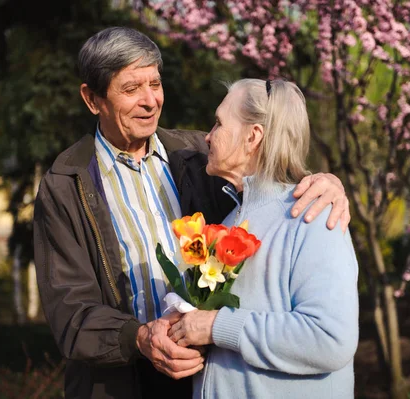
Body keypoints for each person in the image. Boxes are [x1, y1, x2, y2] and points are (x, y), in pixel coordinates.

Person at [33, 27, 351, 399]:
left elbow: (267, 173)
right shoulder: (65, 185)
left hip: (203, 378)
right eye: (132, 89)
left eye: (155, 83)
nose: (150, 101)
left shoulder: (200, 155)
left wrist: (322, 181)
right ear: (92, 99)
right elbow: (70, 313)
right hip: (120, 384)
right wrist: (138, 337)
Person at [168, 79, 359, 399]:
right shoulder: (229, 221)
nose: (207, 137)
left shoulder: (314, 216)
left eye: (218, 123)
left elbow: (329, 339)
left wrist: (215, 326)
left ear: (252, 136)